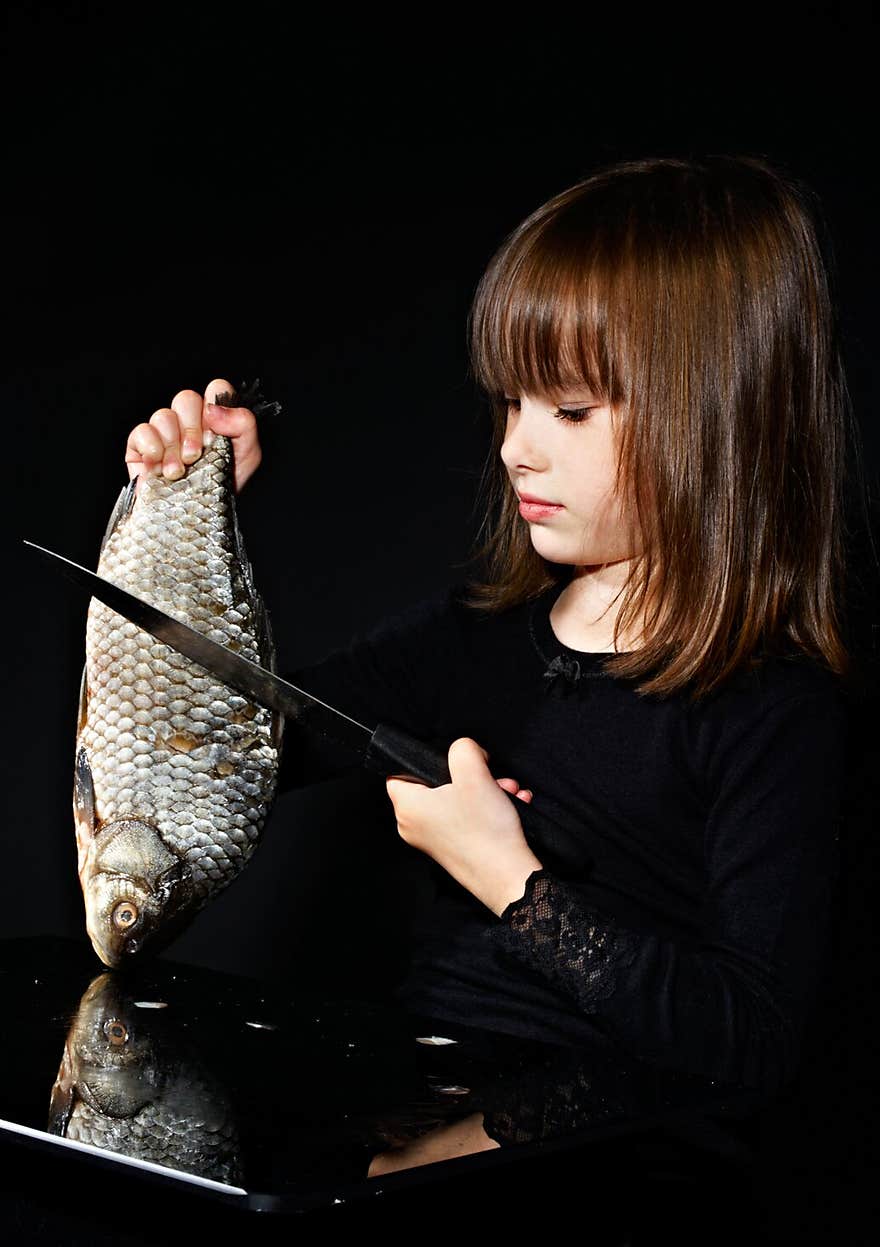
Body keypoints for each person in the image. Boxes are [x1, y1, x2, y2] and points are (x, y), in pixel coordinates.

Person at [122, 155, 855, 1186]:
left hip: (613, 1203)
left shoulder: (771, 707)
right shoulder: (470, 638)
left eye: (570, 411)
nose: (517, 449)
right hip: (418, 1157)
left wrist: (506, 876)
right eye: (510, 405)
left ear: (716, 413)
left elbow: (750, 1042)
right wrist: (192, 524)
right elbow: (213, 760)